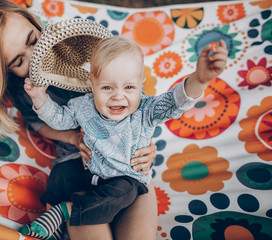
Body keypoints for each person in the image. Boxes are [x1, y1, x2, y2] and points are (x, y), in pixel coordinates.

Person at [0, 0, 158, 239]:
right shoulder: (26, 90)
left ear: (37, 24)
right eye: (20, 61)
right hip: (79, 166)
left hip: (126, 167)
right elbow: (40, 125)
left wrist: (147, 146)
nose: (36, 59)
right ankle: (61, 213)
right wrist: (72, 137)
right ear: (6, 71)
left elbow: (136, 101)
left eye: (33, 41)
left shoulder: (81, 49)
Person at [20, 36, 228, 239]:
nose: (118, 96)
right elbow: (59, 120)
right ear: (92, 85)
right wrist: (39, 98)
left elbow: (175, 102)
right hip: (90, 175)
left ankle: (66, 211)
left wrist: (199, 80)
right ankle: (55, 225)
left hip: (124, 180)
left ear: (141, 85)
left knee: (126, 190)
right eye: (107, 87)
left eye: (129, 87)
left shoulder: (147, 111)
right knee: (62, 174)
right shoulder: (83, 106)